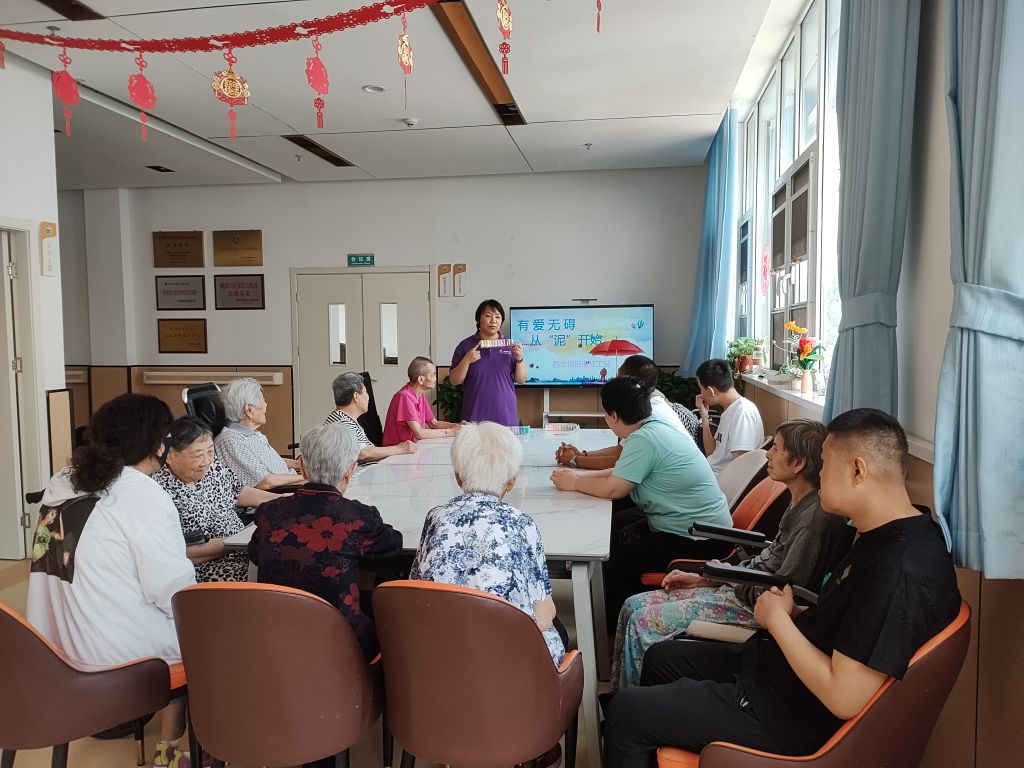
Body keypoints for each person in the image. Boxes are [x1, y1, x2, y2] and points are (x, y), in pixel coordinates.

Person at [603, 408, 962, 767]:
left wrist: (778, 621)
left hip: (788, 718)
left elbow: (844, 697)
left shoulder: (897, 570)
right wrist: (796, 612)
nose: (819, 474)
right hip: (775, 672)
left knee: (626, 712)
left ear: (857, 470)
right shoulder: (891, 534)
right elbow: (851, 624)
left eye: (825, 464)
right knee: (660, 659)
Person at [609, 419, 854, 691]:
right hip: (743, 587)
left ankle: (636, 700)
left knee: (642, 622)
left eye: (776, 448)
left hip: (753, 606)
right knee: (631, 606)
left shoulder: (813, 522)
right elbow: (767, 563)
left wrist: (724, 579)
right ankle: (620, 694)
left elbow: (782, 591)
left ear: (798, 464)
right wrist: (706, 579)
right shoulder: (799, 501)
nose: (768, 454)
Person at [26, 394, 198, 768]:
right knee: (210, 639)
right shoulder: (144, 495)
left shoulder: (60, 483)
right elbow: (175, 595)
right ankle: (174, 753)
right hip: (118, 664)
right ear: (159, 444)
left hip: (50, 655)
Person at [550, 376, 732, 625]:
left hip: (701, 539)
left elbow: (614, 489)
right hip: (698, 528)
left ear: (613, 416)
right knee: (616, 536)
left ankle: (610, 626)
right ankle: (603, 609)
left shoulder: (644, 439)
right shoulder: (652, 427)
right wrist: (577, 476)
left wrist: (575, 483)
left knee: (619, 558)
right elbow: (623, 473)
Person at [411, 421, 563, 663]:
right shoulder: (523, 523)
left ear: (458, 477)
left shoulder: (436, 517)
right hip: (507, 663)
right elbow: (543, 613)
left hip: (440, 658)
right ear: (511, 481)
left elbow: (417, 589)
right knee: (556, 628)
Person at [249, 424, 403, 660]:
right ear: (350, 470)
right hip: (341, 642)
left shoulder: (269, 512)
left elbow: (255, 553)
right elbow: (393, 545)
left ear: (302, 467)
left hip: (276, 638)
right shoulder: (358, 517)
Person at [154, 416, 277, 583]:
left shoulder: (212, 467)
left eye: (210, 452)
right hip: (208, 569)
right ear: (169, 455)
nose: (206, 461)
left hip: (243, 551)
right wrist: (233, 543)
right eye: (198, 455)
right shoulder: (157, 490)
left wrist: (281, 500)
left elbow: (237, 491)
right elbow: (179, 552)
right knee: (275, 575)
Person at [554, 355, 691, 471]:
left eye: (618, 376)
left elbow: (620, 461)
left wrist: (574, 460)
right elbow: (621, 450)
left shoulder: (648, 412)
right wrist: (582, 455)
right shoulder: (651, 402)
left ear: (628, 382)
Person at [215, 376, 303, 490]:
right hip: (283, 492)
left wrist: (297, 464)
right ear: (249, 410)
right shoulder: (231, 441)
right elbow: (265, 482)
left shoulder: (250, 434)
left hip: (292, 483)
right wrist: (304, 478)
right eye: (263, 401)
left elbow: (268, 462)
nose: (266, 405)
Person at [449, 299, 527, 426]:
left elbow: (521, 379)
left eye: (498, 317)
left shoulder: (509, 346)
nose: (493, 320)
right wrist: (466, 360)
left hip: (505, 417)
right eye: (488, 316)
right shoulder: (465, 346)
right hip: (475, 418)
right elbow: (454, 380)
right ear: (478, 319)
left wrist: (519, 358)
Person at [324, 372, 415, 461]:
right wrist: (400, 449)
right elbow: (363, 453)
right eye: (365, 392)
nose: (368, 397)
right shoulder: (342, 424)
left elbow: (367, 448)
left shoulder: (343, 418)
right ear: (356, 396)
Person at [695, 358, 764, 475]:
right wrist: (704, 416)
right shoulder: (730, 409)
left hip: (720, 480)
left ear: (711, 391)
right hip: (711, 473)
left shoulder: (743, 412)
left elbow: (739, 468)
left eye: (701, 389)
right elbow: (712, 455)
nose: (700, 394)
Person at [382, 356, 461, 446]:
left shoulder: (420, 396)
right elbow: (419, 433)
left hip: (412, 447)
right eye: (433, 374)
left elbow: (434, 423)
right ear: (421, 379)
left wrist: (458, 426)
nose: (435, 378)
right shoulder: (404, 396)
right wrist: (451, 432)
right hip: (396, 451)